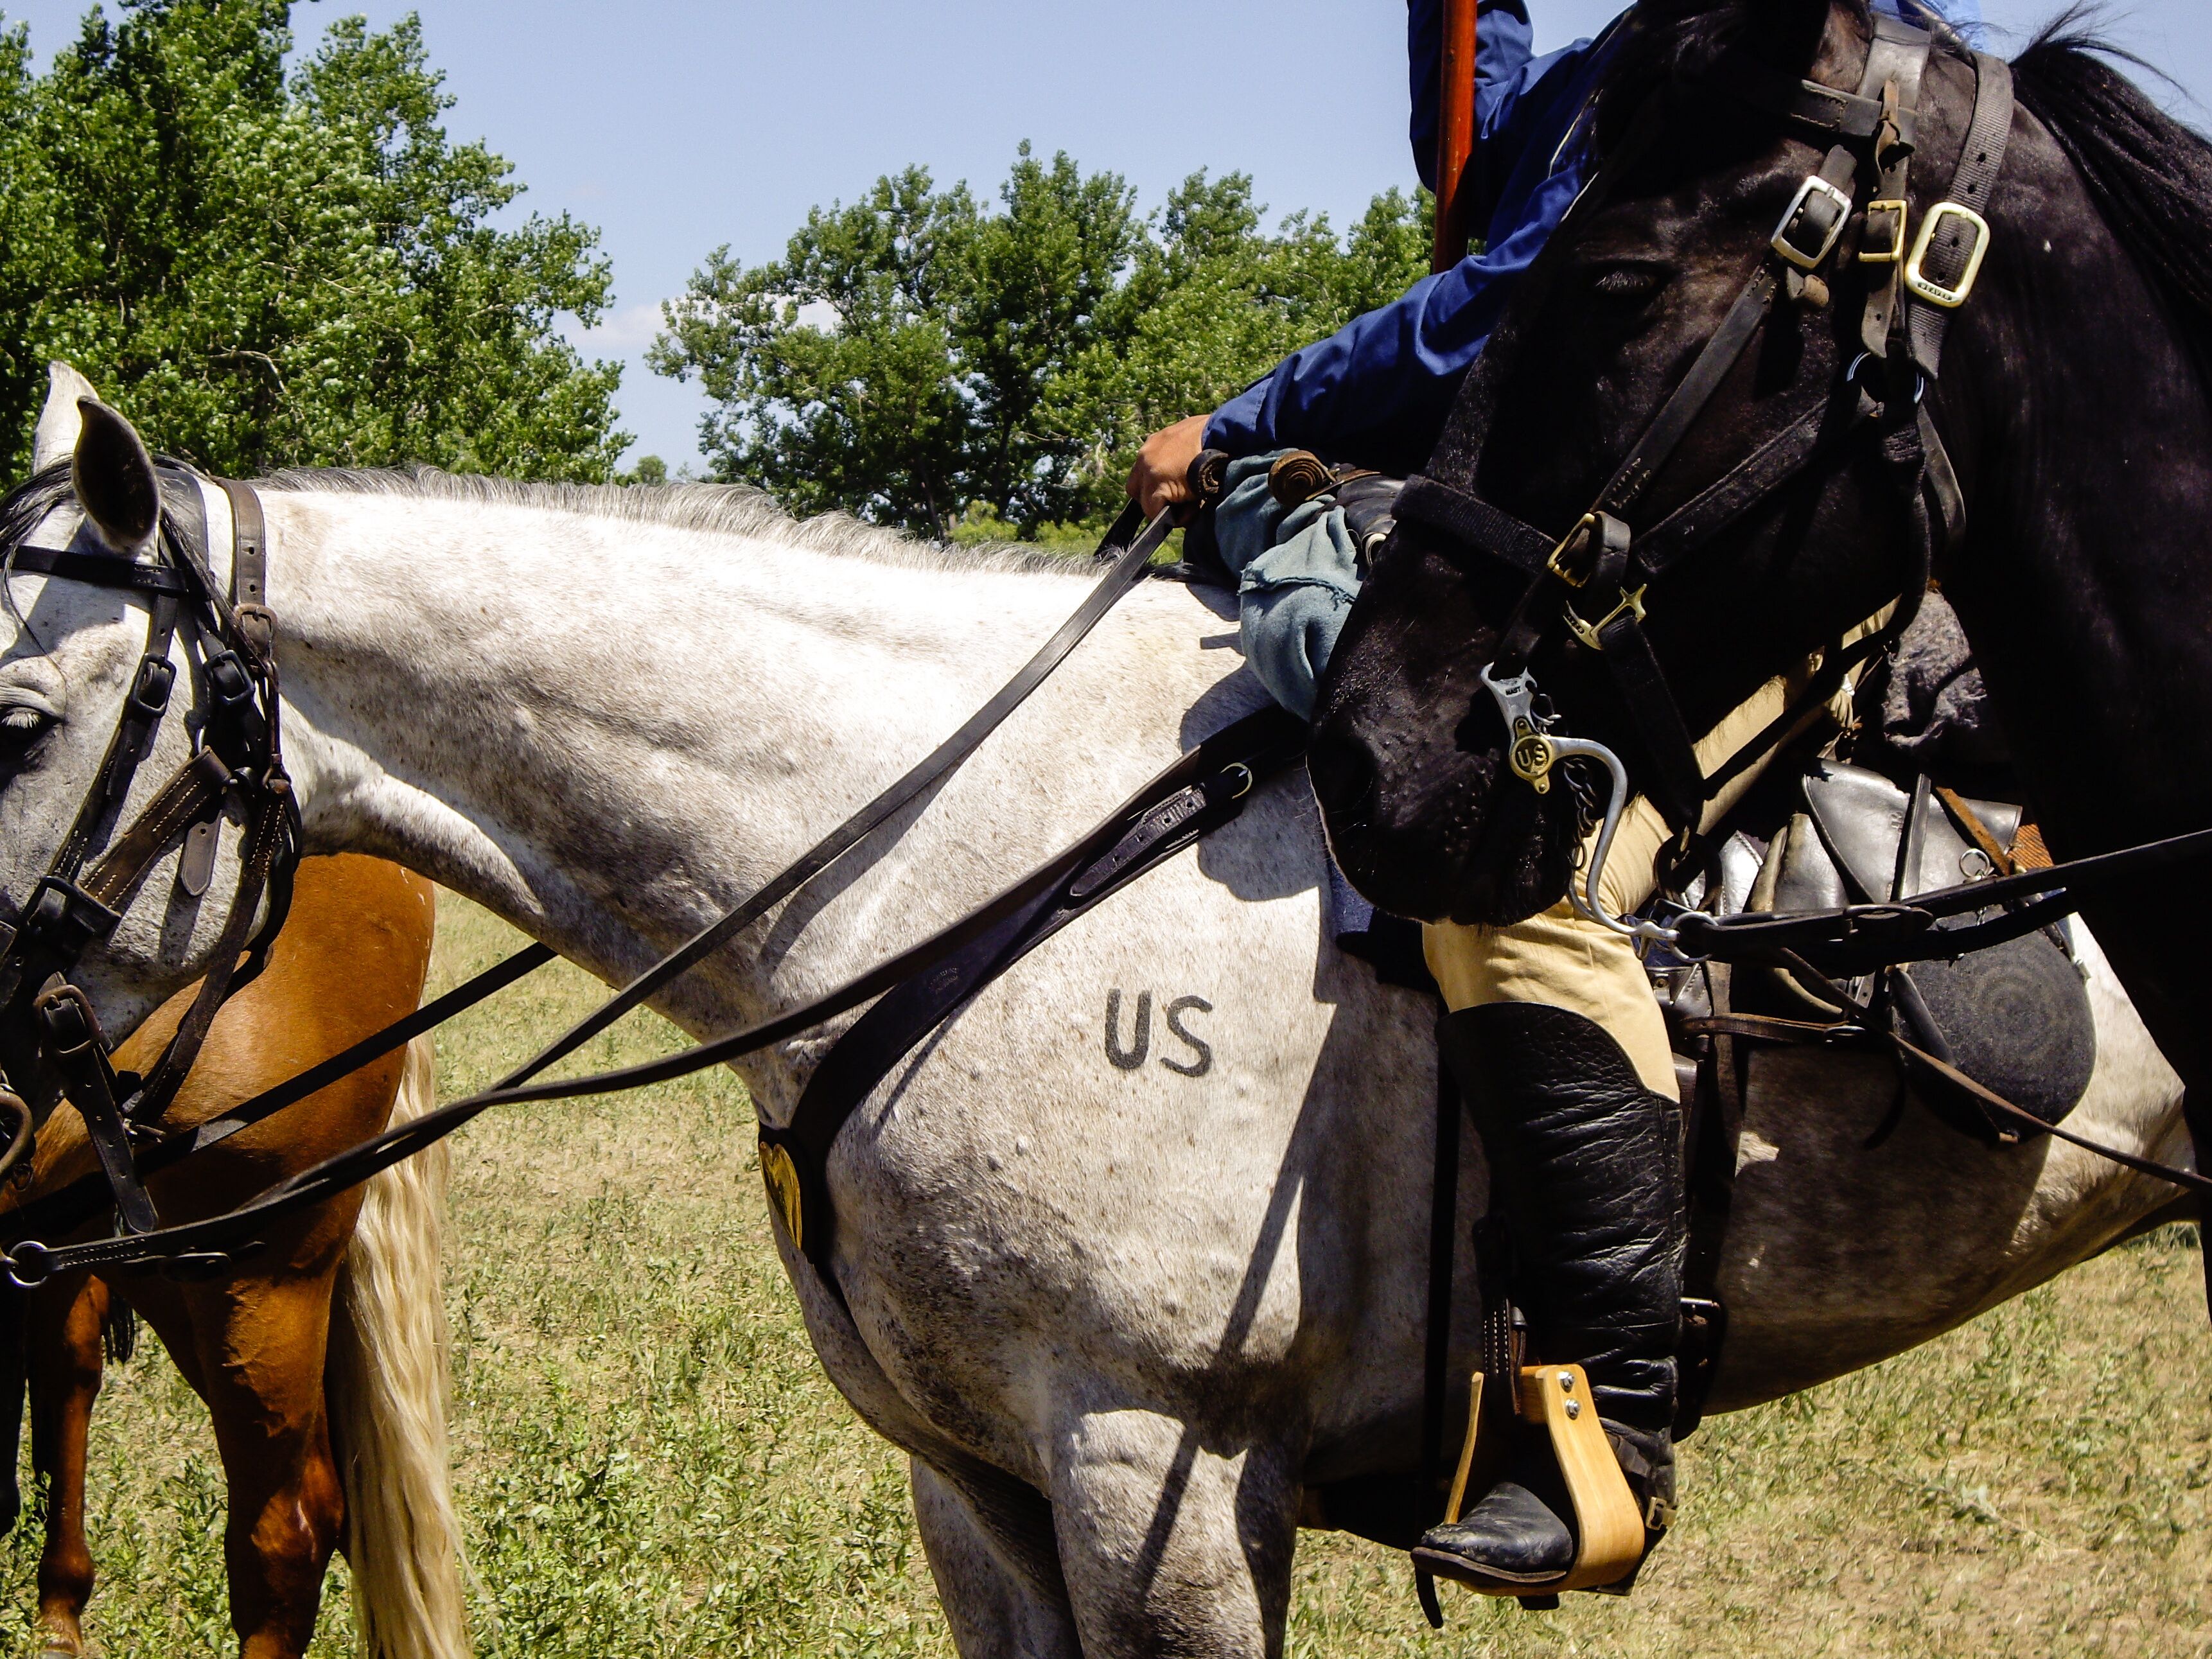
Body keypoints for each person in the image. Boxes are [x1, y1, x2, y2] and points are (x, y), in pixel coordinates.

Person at [1127, 0, 1982, 1597]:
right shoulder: (1616, 70)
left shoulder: (1794, 50)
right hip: (1630, 558)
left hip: (1788, 561)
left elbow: (1499, 298)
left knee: (1511, 866)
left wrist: (1249, 418)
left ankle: (1604, 1428)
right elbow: (1480, 151)